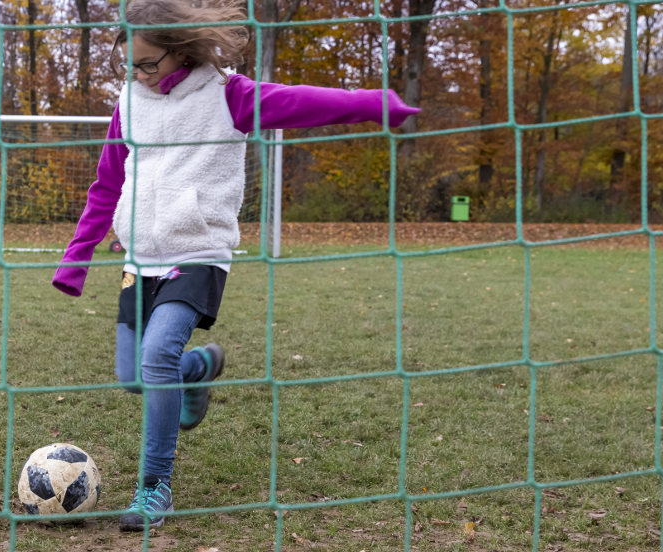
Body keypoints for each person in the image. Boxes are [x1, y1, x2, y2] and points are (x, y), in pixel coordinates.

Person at [51, 0, 419, 531]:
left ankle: (154, 487)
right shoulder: (128, 104)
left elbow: (301, 103)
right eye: (128, 63)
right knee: (135, 377)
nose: (137, 73)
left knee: (156, 358)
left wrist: (374, 103)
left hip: (197, 252)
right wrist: (76, 258)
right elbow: (107, 183)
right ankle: (197, 371)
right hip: (140, 258)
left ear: (179, 53)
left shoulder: (229, 97)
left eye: (148, 63)